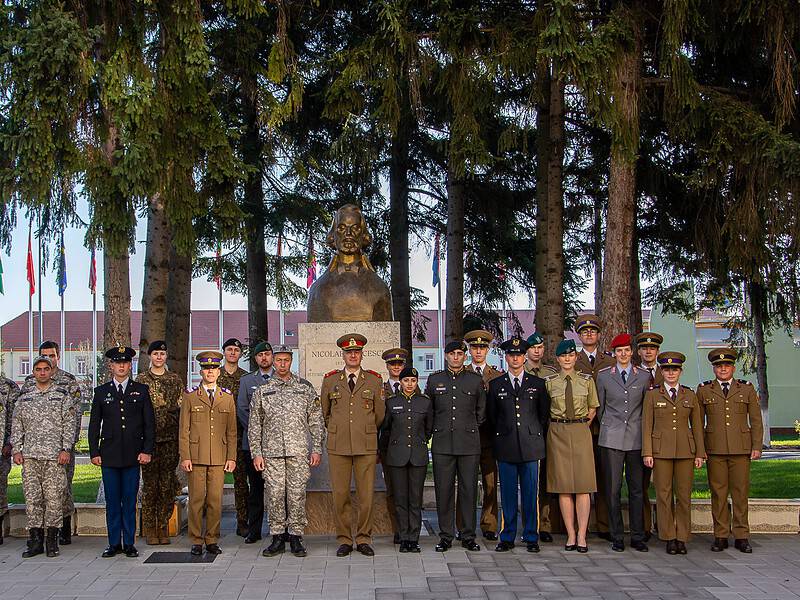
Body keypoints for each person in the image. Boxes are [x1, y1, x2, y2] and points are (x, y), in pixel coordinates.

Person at [250, 345, 323, 558]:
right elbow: (255, 424)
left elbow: (316, 421)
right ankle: (277, 536)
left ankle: (296, 536)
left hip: (298, 451)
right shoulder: (264, 390)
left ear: (291, 361)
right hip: (271, 453)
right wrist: (257, 452)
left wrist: (316, 448)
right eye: (279, 360)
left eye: (286, 360)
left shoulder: (304, 388)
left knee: (297, 494)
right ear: (273, 361)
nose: (282, 364)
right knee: (274, 494)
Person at [320, 333, 385, 557]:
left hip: (365, 445)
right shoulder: (330, 381)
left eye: (357, 352)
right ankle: (345, 539)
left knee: (366, 495)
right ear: (343, 354)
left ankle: (364, 538)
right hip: (338, 446)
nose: (353, 355)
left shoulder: (375, 381)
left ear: (362, 354)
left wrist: (362, 429)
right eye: (349, 352)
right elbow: (325, 413)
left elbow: (379, 415)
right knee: (341, 494)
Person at [88, 346, 155, 558]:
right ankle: (113, 543)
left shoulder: (141, 390)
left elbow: (149, 425)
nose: (122, 366)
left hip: (133, 455)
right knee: (112, 501)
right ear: (111, 366)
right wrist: (94, 452)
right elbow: (93, 425)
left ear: (130, 365)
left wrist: (147, 450)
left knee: (129, 500)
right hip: (109, 455)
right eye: (118, 363)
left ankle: (129, 543)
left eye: (125, 363)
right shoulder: (101, 392)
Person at [697, 348, 763, 553]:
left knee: (740, 493)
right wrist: (701, 450)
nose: (722, 369)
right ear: (714, 368)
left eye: (726, 365)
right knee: (718, 493)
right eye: (718, 366)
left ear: (733, 368)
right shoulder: (704, 390)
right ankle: (721, 535)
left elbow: (756, 420)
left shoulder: (747, 389)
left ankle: (742, 535)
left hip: (740, 449)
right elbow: (698, 423)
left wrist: (756, 446)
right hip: (714, 449)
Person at [10, 356, 78, 558]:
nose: (42, 372)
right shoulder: (25, 398)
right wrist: (16, 449)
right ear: (33, 372)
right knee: (32, 499)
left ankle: (52, 540)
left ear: (51, 371)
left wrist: (66, 448)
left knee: (54, 499)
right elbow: (17, 425)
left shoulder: (62, 395)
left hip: (54, 457)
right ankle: (35, 541)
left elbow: (70, 424)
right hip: (30, 457)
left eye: (45, 369)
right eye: (38, 369)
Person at [487, 337, 549, 553]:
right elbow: (493, 417)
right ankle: (507, 536)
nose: (515, 358)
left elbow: (543, 416)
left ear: (524, 357)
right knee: (508, 494)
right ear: (506, 358)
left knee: (531, 493)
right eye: (511, 355)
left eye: (519, 355)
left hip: (531, 446)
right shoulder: (496, 385)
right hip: (506, 445)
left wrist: (532, 434)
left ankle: (531, 536)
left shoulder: (538, 384)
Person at [642, 351, 706, 555]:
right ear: (661, 371)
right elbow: (647, 425)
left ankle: (683, 536)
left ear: (681, 371)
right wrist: (647, 452)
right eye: (667, 369)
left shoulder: (690, 394)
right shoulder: (653, 394)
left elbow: (697, 426)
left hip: (686, 451)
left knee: (684, 495)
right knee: (663, 495)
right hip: (660, 451)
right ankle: (668, 536)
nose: (671, 373)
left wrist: (699, 453)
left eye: (674, 369)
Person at [425, 340, 486, 553]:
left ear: (465, 356)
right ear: (446, 355)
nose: (456, 357)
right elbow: (430, 412)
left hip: (468, 443)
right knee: (444, 491)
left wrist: (467, 428)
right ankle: (446, 536)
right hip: (442, 443)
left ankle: (468, 535)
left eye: (460, 353)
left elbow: (481, 412)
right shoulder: (435, 380)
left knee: (469, 491)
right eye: (452, 354)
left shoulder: (475, 381)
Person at [24, 340, 83, 545]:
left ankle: (63, 528)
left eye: (52, 355)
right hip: (35, 449)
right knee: (37, 493)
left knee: (62, 488)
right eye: (44, 355)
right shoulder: (30, 383)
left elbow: (74, 415)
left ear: (58, 356)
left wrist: (68, 446)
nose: (48, 358)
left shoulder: (68, 381)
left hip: (61, 449)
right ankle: (40, 534)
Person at [595, 333, 650, 552]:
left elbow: (646, 409)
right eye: (619, 351)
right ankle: (617, 535)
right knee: (613, 489)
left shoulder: (643, 376)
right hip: (612, 437)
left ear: (632, 352)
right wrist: (609, 427)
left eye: (627, 350)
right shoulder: (604, 376)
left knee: (636, 489)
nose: (623, 354)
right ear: (614, 354)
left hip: (636, 438)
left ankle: (637, 536)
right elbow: (600, 407)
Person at [179, 351, 237, 556]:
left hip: (219, 457)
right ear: (201, 371)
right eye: (206, 368)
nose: (210, 372)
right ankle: (196, 539)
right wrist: (185, 456)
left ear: (219, 371)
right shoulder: (190, 396)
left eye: (213, 368)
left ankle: (212, 539)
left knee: (214, 500)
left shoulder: (227, 398)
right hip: (196, 457)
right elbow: (184, 430)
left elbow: (232, 431)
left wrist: (231, 457)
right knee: (196, 500)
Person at [544, 339, 598, 553]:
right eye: (563, 356)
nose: (567, 359)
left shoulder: (586, 381)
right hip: (557, 433)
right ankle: (571, 534)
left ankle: (582, 535)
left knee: (583, 486)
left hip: (580, 430)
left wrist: (582, 425)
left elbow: (593, 407)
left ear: (576, 357)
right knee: (564, 486)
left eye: (570, 355)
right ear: (558, 359)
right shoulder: (550, 382)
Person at [379, 367, 432, 553]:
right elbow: (385, 429)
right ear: (400, 383)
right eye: (406, 380)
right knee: (400, 498)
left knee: (415, 499)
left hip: (418, 456)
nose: (409, 384)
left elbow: (428, 428)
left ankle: (414, 537)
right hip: (396, 456)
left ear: (417, 382)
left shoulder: (424, 402)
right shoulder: (392, 402)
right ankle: (403, 537)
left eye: (413, 381)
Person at [135, 340, 183, 545]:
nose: (159, 357)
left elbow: (181, 409)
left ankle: (163, 525)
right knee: (150, 486)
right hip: (149, 442)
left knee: (167, 485)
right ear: (150, 356)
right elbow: (136, 412)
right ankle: (150, 527)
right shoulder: (141, 380)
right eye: (155, 354)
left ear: (166, 357)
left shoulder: (174, 380)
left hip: (170, 440)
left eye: (162, 354)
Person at [573, 315, 614, 541]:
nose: (589, 335)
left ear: (598, 335)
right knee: (579, 479)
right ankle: (581, 526)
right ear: (579, 336)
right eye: (585, 332)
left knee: (604, 477)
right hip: (580, 429)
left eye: (593, 332)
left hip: (605, 428)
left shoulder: (609, 361)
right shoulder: (573, 360)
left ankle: (604, 525)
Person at [463, 329, 501, 542]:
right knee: (466, 484)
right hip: (467, 438)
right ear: (469, 350)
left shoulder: (496, 376)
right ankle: (463, 525)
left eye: (482, 348)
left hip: (489, 439)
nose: (478, 351)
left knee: (490, 484)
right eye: (474, 347)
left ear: (487, 350)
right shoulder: (463, 373)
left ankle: (489, 524)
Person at [235, 341, 274, 543]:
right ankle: (254, 530)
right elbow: (242, 409)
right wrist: (260, 429)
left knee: (279, 489)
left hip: (277, 444)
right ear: (256, 359)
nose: (264, 358)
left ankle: (280, 531)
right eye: (260, 355)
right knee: (256, 490)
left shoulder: (282, 378)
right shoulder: (247, 381)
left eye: (267, 354)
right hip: (253, 443)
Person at [523, 332, 559, 542]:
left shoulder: (551, 373)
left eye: (540, 348)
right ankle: (529, 523)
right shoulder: (520, 371)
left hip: (547, 430)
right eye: (533, 348)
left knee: (545, 478)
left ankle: (544, 524)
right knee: (529, 480)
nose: (537, 351)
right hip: (527, 431)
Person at [216, 338, 249, 537]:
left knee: (241, 482)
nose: (232, 353)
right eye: (229, 349)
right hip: (217, 437)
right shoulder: (214, 375)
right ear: (224, 352)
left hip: (239, 436)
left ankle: (242, 521)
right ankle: (212, 522)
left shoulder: (245, 378)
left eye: (236, 350)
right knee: (213, 483)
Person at [635, 331, 664, 541]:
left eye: (652, 348)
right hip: (639, 435)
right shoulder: (634, 373)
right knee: (641, 485)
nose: (648, 351)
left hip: (664, 437)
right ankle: (644, 527)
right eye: (644, 348)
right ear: (638, 351)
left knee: (665, 485)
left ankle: (666, 528)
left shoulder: (669, 372)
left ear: (657, 351)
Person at [380, 347, 408, 544]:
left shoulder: (413, 388)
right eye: (392, 364)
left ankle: (410, 527)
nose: (396, 367)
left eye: (399, 364)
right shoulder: (380, 390)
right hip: (388, 447)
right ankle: (397, 528)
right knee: (392, 490)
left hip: (409, 446)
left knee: (410, 490)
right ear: (387, 366)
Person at [0, 375, 20, 546]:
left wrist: (9, 442)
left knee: (0, 489)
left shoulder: (9, 387)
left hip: (1, 450)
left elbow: (14, 420)